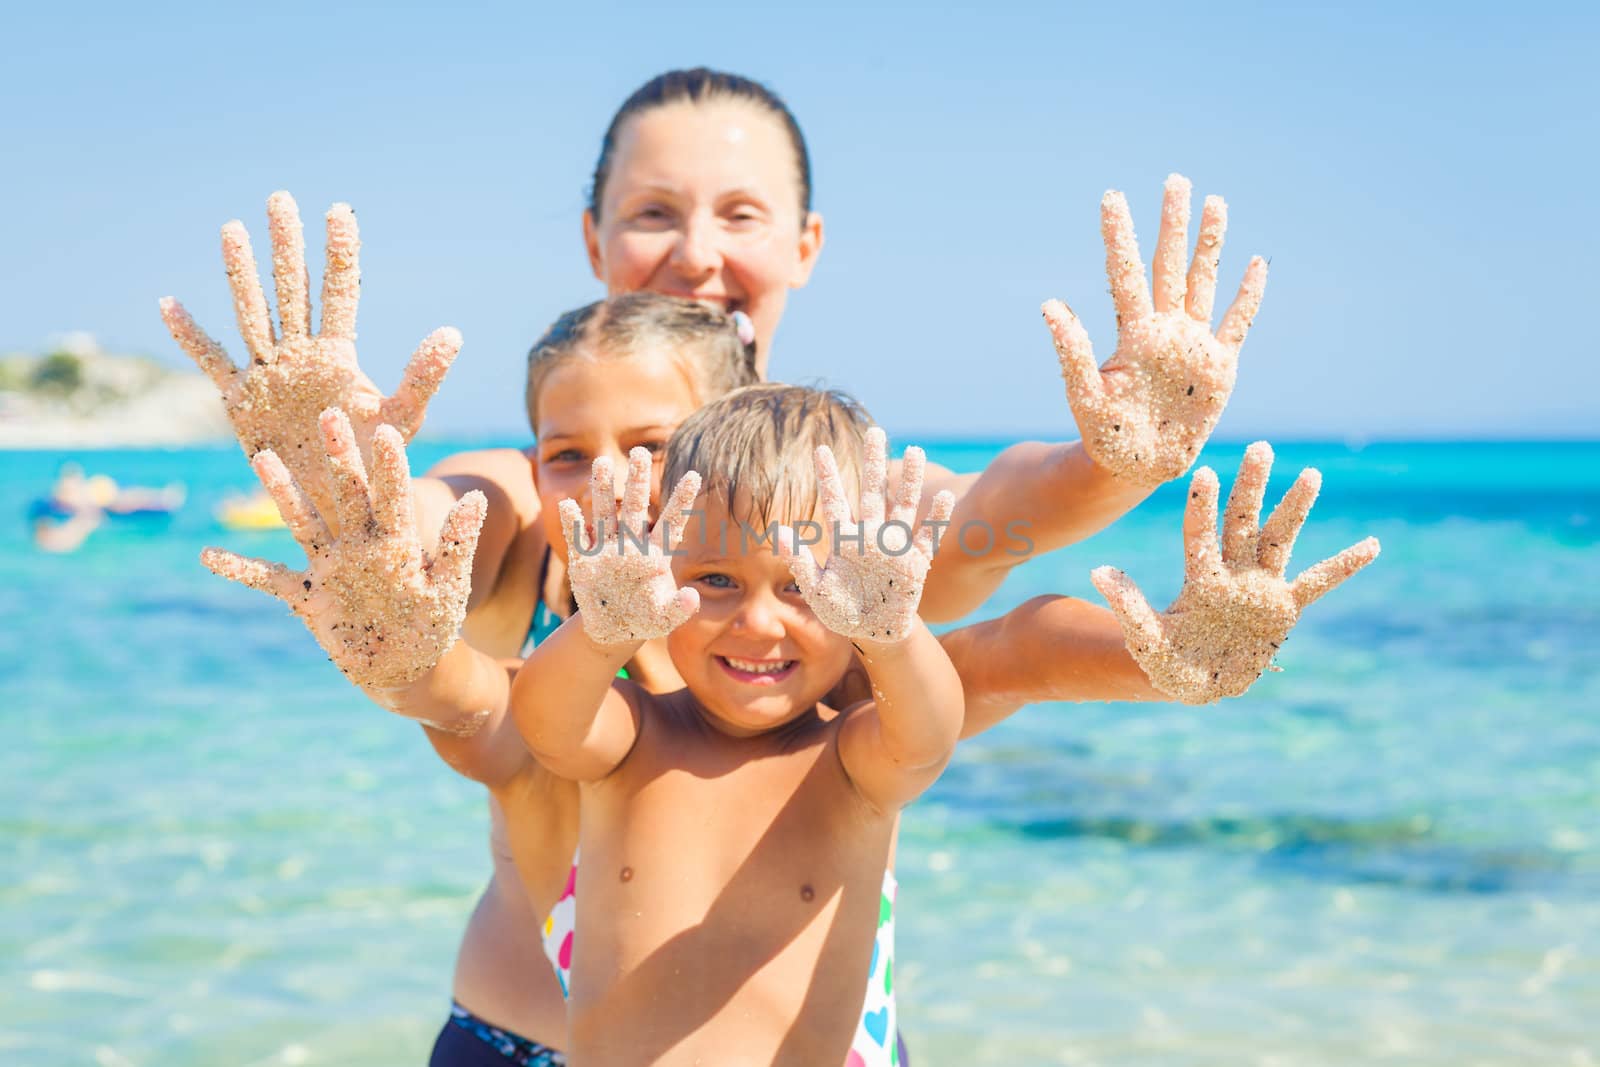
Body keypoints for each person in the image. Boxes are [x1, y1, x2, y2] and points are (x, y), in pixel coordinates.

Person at [167, 67, 1357, 1065]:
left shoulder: (835, 523)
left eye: (739, 212)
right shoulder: (540, 497)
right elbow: (432, 528)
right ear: (593, 238)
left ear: (804, 243)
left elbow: (1002, 544)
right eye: (651, 212)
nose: (693, 251)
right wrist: (340, 482)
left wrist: (1123, 467)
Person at [507, 385, 960, 1065]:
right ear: (664, 572)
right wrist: (602, 631)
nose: (758, 622)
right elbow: (544, 720)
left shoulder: (849, 762)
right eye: (716, 580)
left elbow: (928, 737)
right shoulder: (634, 739)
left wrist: (894, 636)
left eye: (803, 586)